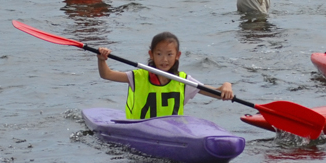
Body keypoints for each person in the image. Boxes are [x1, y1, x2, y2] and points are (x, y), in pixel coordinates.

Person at [97, 32, 234, 120]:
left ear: (177, 56)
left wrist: (226, 86)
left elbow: (216, 93)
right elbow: (106, 75)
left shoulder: (183, 80)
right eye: (159, 54)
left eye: (169, 54)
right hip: (139, 130)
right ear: (151, 55)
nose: (164, 60)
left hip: (171, 132)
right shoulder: (138, 76)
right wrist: (101, 59)